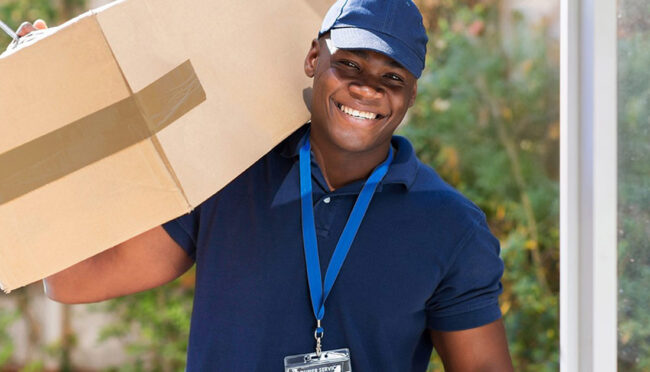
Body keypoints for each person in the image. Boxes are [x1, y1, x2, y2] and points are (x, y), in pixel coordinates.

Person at [15, 1, 513, 370]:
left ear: (410, 96)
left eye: (393, 77)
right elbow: (71, 279)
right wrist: (47, 96)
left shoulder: (451, 227)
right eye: (350, 64)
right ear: (313, 58)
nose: (368, 89)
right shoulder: (229, 175)